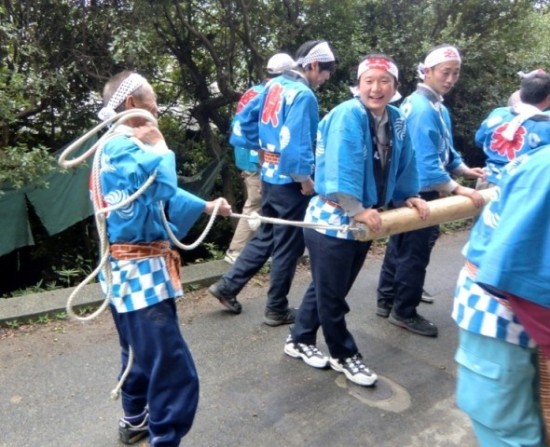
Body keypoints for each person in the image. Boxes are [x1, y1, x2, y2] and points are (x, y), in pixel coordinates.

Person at [95, 71, 231, 446]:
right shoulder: (123, 148)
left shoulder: (116, 147)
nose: (157, 107)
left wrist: (204, 206)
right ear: (133, 105)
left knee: (139, 354)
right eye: (153, 99)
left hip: (124, 272)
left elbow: (154, 195)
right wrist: (161, 147)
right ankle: (164, 439)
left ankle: (134, 420)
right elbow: (164, 185)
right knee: (172, 368)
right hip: (138, 272)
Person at [284, 54, 429, 386]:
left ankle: (299, 339)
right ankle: (344, 354)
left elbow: (405, 159)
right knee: (333, 294)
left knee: (327, 288)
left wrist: (408, 193)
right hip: (333, 220)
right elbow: (339, 165)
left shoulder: (396, 117)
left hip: (363, 220)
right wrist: (356, 207)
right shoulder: (347, 115)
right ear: (358, 85)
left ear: (395, 86)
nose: (376, 89)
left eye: (384, 81)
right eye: (369, 81)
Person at [208, 40, 336, 326]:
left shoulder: (273, 86)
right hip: (291, 181)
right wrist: (303, 179)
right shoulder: (303, 95)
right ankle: (276, 308)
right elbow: (298, 142)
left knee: (267, 233)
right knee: (288, 245)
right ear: (314, 65)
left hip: (268, 175)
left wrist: (265, 150)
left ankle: (228, 285)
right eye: (326, 72)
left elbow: (243, 123)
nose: (326, 79)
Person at [376, 44, 485, 337]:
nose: (450, 79)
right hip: (418, 190)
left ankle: (387, 299)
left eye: (455, 73)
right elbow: (426, 162)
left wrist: (463, 170)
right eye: (445, 73)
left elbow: (445, 150)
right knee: (415, 251)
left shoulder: (432, 104)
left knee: (400, 245)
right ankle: (404, 310)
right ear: (427, 72)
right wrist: (457, 189)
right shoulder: (423, 108)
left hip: (408, 188)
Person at [452, 143, 550, 447]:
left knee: (527, 419)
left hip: (520, 299)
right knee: (510, 432)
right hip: (499, 309)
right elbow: (525, 273)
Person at [224, 53, 295, 264]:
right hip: (258, 158)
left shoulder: (252, 91)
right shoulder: (270, 93)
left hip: (247, 156)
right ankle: (236, 251)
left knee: (263, 203)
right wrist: (261, 155)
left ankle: (260, 249)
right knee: (255, 202)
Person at [475, 70, 550, 189]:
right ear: (548, 98)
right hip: (522, 187)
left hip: (487, 181)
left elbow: (479, 140)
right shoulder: (546, 125)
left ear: (520, 93)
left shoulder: (498, 113)